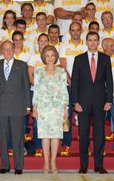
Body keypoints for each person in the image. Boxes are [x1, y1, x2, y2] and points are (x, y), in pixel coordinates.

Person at [71, 31, 113, 174]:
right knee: (83, 134)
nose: (93, 43)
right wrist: (75, 101)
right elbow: (74, 82)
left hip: (101, 102)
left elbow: (110, 82)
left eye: (95, 40)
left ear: (98, 41)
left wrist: (109, 100)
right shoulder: (79, 59)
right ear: (86, 42)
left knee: (99, 134)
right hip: (82, 103)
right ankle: (83, 165)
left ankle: (98, 165)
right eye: (90, 40)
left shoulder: (106, 59)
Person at [0, 41, 31, 175]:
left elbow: (26, 86)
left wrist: (28, 105)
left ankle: (18, 166)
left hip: (17, 106)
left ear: (14, 50)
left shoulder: (21, 65)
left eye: (10, 49)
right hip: (1, 106)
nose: (8, 52)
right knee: (3, 138)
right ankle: (5, 165)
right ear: (1, 51)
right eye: (5, 49)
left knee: (18, 138)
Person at [33, 45, 68, 173]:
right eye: (47, 56)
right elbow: (36, 91)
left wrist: (65, 109)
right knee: (45, 136)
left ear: (56, 57)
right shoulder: (38, 72)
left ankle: (53, 162)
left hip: (57, 108)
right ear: (43, 57)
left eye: (52, 55)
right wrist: (35, 108)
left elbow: (64, 91)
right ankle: (46, 162)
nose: (50, 58)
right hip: (43, 108)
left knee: (55, 136)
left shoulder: (61, 72)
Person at [59, 22, 87, 156]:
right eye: (73, 30)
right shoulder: (63, 45)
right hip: (68, 85)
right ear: (69, 32)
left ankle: (84, 145)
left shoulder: (86, 44)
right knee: (67, 116)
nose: (75, 32)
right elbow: (63, 65)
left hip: (85, 85)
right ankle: (66, 144)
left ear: (81, 31)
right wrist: (70, 81)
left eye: (77, 30)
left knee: (85, 116)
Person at [102, 38, 114, 141]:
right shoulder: (99, 59)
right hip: (101, 94)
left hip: (113, 94)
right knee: (100, 120)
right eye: (111, 46)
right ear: (104, 47)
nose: (113, 48)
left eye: (113, 45)